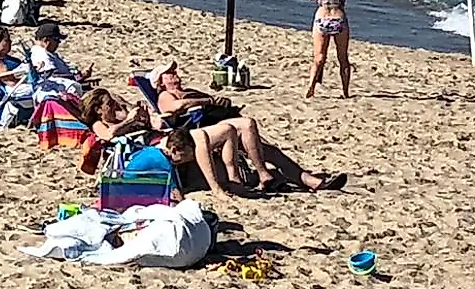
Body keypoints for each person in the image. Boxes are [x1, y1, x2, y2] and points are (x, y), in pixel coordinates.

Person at [146, 62, 340, 195]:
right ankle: (264, 174)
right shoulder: (165, 95)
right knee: (247, 124)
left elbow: (209, 103)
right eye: (169, 73)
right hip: (197, 132)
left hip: (214, 123)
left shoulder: (186, 92)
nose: (175, 75)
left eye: (175, 71)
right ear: (160, 82)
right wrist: (207, 100)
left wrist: (220, 102)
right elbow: (175, 108)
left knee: (267, 149)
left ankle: (309, 181)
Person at [304, 0, 372, 99]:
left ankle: (311, 86)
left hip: (321, 18)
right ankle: (345, 92)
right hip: (339, 18)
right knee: (343, 58)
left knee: (319, 57)